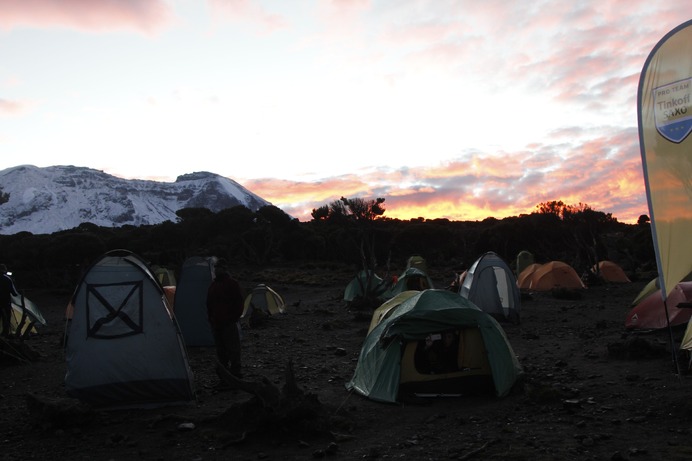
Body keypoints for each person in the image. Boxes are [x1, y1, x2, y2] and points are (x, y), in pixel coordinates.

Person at [206, 259, 245, 383]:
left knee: (233, 348)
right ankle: (225, 374)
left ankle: (236, 373)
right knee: (221, 350)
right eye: (216, 268)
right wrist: (211, 319)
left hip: (228, 322)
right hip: (216, 323)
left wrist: (234, 318)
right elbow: (209, 303)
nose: (217, 270)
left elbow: (239, 302)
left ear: (225, 269)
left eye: (219, 268)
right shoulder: (213, 285)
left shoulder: (232, 283)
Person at [0, 264, 19, 337]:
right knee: (7, 317)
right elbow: (14, 293)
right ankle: (5, 332)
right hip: (5, 302)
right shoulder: (7, 279)